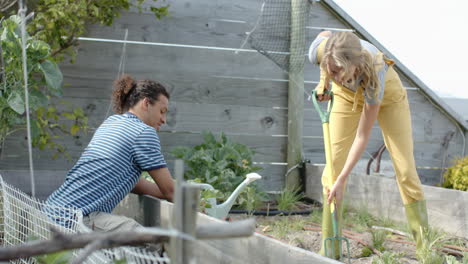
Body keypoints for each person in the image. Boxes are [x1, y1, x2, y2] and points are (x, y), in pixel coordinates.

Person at [308, 31, 428, 257]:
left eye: (337, 71)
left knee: (405, 171)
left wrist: (344, 179)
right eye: (329, 69)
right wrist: (324, 81)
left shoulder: (375, 73)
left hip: (389, 100)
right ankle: (330, 249)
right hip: (345, 96)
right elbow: (324, 34)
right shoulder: (321, 51)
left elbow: (363, 136)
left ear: (354, 66)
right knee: (332, 166)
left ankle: (425, 249)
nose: (333, 74)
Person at [46, 74, 174, 232]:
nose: (164, 119)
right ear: (146, 103)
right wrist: (194, 204)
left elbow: (134, 182)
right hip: (76, 220)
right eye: (162, 111)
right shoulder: (144, 133)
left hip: (51, 211)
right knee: (150, 240)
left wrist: (166, 191)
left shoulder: (112, 122)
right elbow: (171, 191)